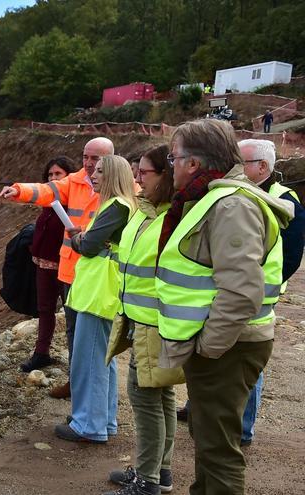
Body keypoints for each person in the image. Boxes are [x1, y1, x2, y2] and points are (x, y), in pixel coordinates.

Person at [157, 119, 293, 494]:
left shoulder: (231, 205)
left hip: (229, 346)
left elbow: (241, 291)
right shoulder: (216, 199)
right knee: (208, 436)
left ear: (194, 164)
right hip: (225, 344)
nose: (172, 166)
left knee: (219, 450)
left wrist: (209, 346)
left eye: (174, 158)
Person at [0, 137, 114, 398]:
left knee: (95, 336)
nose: (88, 163)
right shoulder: (73, 182)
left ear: (109, 159)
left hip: (98, 272)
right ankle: (77, 383)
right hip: (72, 270)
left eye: (95, 158)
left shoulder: (120, 188)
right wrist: (19, 190)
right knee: (74, 331)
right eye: (86, 156)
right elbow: (46, 190)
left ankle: (92, 396)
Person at [105, 145, 183, 495]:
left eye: (144, 173)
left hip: (154, 325)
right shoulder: (147, 211)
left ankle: (146, 480)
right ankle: (159, 472)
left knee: (145, 400)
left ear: (164, 176)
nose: (137, 179)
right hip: (142, 320)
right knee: (161, 395)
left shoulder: (172, 217)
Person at [54, 155, 137, 444]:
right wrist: (88, 239)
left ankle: (88, 424)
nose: (94, 175)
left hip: (97, 291)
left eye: (101, 171)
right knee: (104, 358)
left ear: (113, 175)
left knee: (89, 359)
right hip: (101, 290)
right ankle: (103, 419)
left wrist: (79, 240)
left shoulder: (115, 207)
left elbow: (88, 247)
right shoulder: (123, 205)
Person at [237, 139, 305, 445]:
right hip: (233, 292)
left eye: (243, 163)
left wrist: (266, 288)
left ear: (263, 167)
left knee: (249, 362)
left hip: (259, 298)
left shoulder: (283, 199)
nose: (236, 168)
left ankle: (243, 427)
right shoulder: (239, 192)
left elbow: (291, 255)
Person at [20, 157, 79, 372]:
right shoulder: (48, 204)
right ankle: (41, 353)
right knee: (45, 310)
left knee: (71, 314)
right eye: (50, 175)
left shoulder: (73, 203)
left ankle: (76, 362)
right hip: (44, 265)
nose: (53, 178)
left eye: (58, 174)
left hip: (67, 266)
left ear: (68, 177)